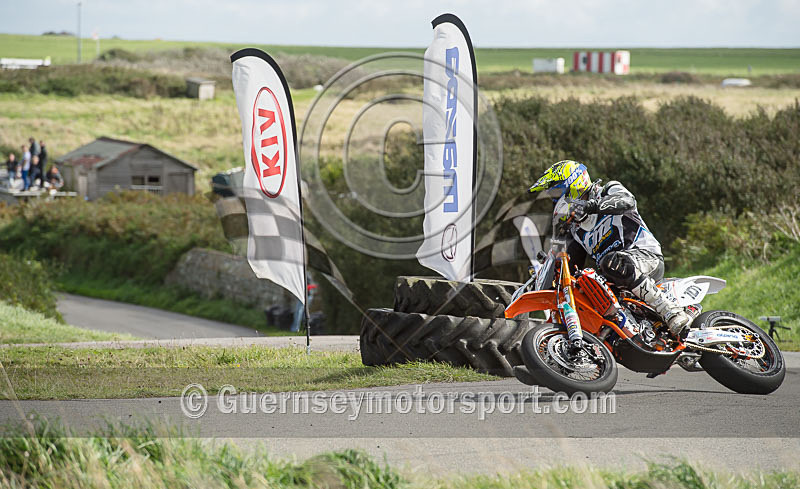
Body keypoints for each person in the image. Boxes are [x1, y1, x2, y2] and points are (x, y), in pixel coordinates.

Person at [529, 160, 691, 336]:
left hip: (645, 256)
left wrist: (590, 207)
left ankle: (671, 311)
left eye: (557, 191)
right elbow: (571, 266)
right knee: (585, 288)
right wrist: (549, 267)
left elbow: (627, 201)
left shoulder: (607, 190)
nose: (555, 198)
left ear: (574, 182)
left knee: (611, 262)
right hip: (615, 278)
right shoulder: (575, 229)